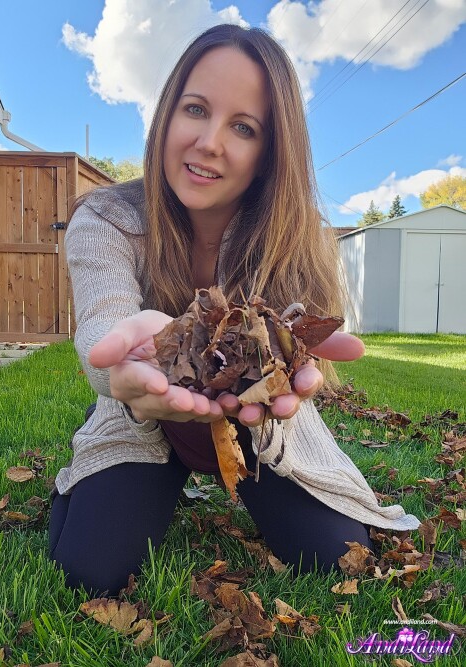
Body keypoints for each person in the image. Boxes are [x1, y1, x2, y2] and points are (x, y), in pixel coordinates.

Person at [49, 24, 420, 596]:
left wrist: (292, 358)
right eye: (196, 109)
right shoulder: (106, 217)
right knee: (91, 571)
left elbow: (295, 350)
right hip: (143, 416)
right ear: (167, 114)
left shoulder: (291, 234)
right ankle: (89, 477)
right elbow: (105, 326)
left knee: (336, 558)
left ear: (270, 153)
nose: (209, 142)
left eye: (243, 127)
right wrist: (125, 364)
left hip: (259, 419)